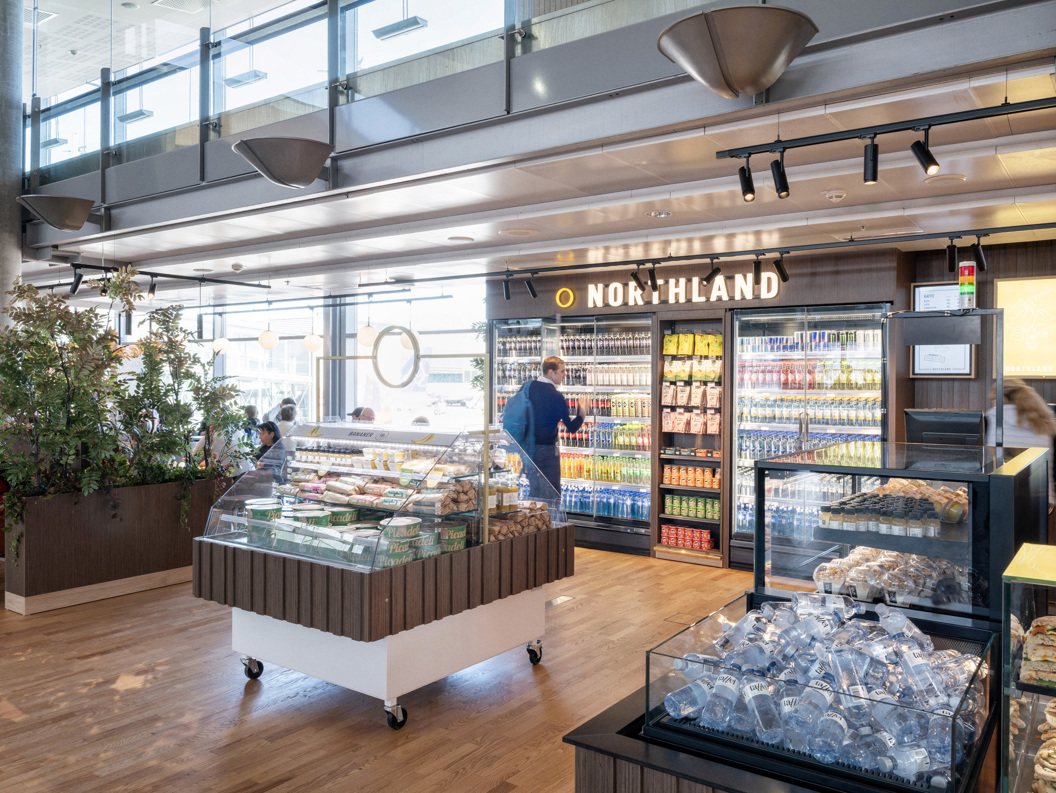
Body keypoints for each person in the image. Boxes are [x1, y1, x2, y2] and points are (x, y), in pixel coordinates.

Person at [986, 379, 1056, 509]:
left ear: (1000, 398)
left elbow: (990, 462)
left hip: (1006, 498)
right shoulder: (1043, 420)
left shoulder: (995, 417)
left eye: (993, 398)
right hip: (1042, 499)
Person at [526, 356, 586, 493]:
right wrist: (582, 413)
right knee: (552, 491)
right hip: (547, 451)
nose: (565, 375)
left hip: (528, 449)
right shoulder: (555, 396)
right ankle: (549, 515)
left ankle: (534, 514)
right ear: (552, 373)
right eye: (562, 371)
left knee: (535, 489)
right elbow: (571, 428)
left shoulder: (528, 387)